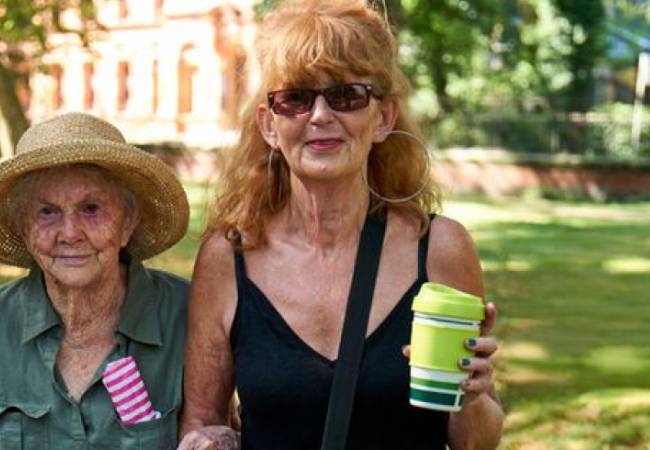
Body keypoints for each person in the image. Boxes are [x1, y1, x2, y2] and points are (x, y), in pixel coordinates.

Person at [179, 1, 503, 449]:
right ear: (269, 126)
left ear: (383, 118)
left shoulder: (440, 248)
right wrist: (207, 442)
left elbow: (476, 444)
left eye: (346, 95)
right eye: (295, 97)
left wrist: (475, 398)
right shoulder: (227, 258)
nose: (319, 116)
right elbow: (200, 422)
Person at [0, 112, 190, 449]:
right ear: (23, 229)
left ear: (128, 221)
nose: (70, 234)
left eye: (91, 208)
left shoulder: (189, 314)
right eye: (47, 212)